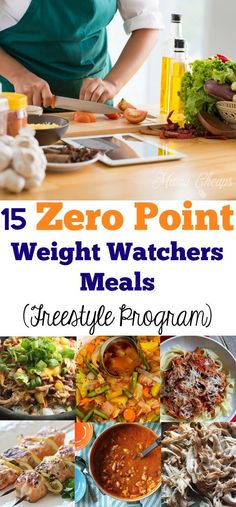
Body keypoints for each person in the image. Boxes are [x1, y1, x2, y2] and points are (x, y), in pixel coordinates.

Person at [0, 0, 163, 107]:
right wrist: (18, 75)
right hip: (20, 103)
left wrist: (113, 83)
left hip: (93, 105)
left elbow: (147, 25)